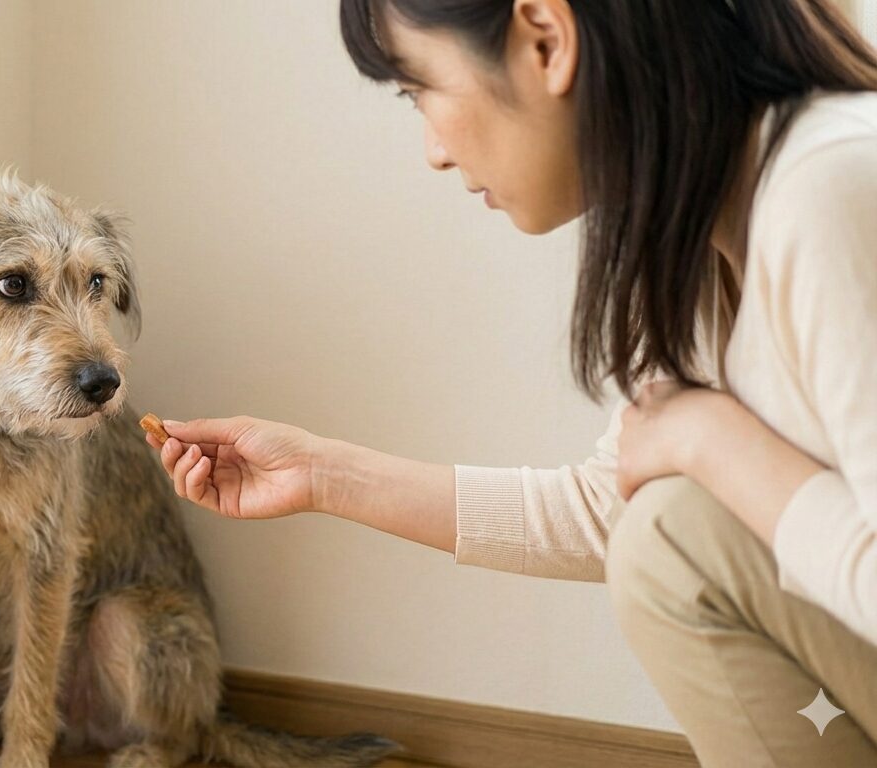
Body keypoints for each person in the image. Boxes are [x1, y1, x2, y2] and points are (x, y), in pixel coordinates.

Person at [145, 1, 877, 765]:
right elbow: (612, 507)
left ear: (546, 39)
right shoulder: (703, 220)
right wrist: (323, 475)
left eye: (418, 87)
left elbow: (674, 529)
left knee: (670, 542)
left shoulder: (828, 188)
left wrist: (715, 442)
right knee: (665, 533)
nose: (431, 149)